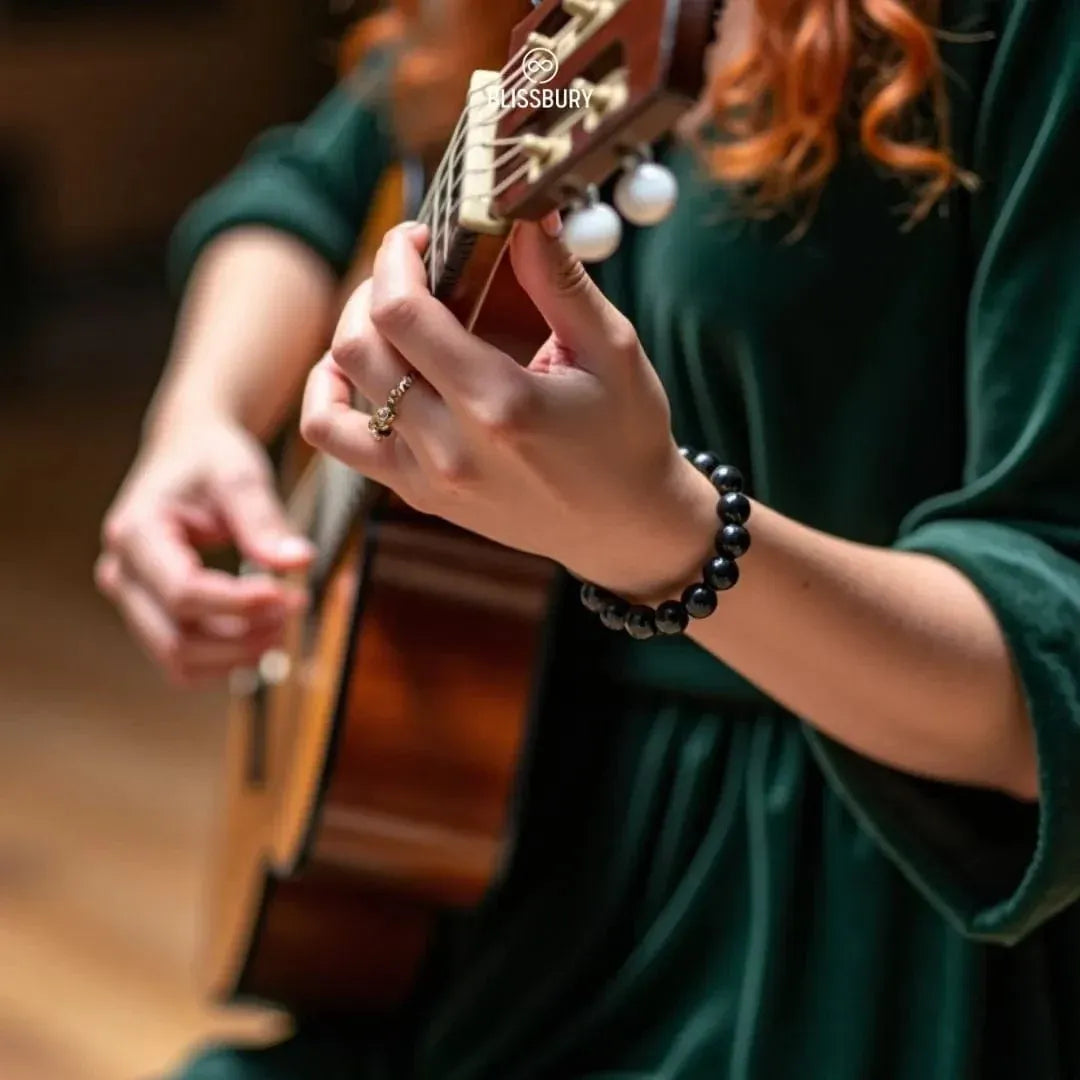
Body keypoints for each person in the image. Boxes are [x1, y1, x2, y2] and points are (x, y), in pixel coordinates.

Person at [96, 0, 1080, 1076]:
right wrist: (197, 421)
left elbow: (1049, 684)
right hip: (492, 854)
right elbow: (307, 189)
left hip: (843, 913)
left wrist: (666, 536)